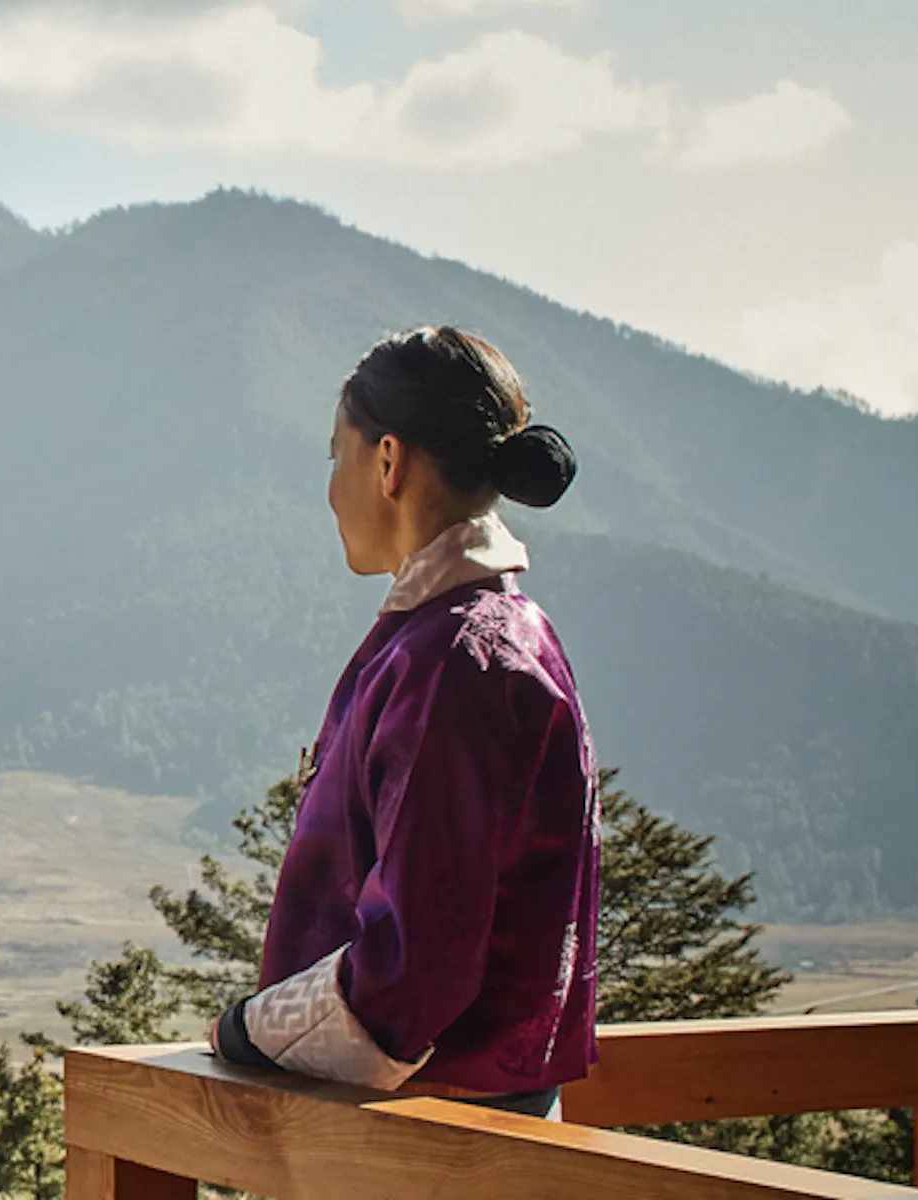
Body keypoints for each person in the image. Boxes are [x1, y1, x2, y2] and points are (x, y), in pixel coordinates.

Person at [208, 326, 598, 1121]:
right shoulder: (494, 635)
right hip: (482, 1116)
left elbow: (415, 969)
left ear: (387, 462)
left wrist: (246, 1030)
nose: (329, 486)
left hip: (435, 1141)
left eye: (334, 455)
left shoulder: (455, 661)